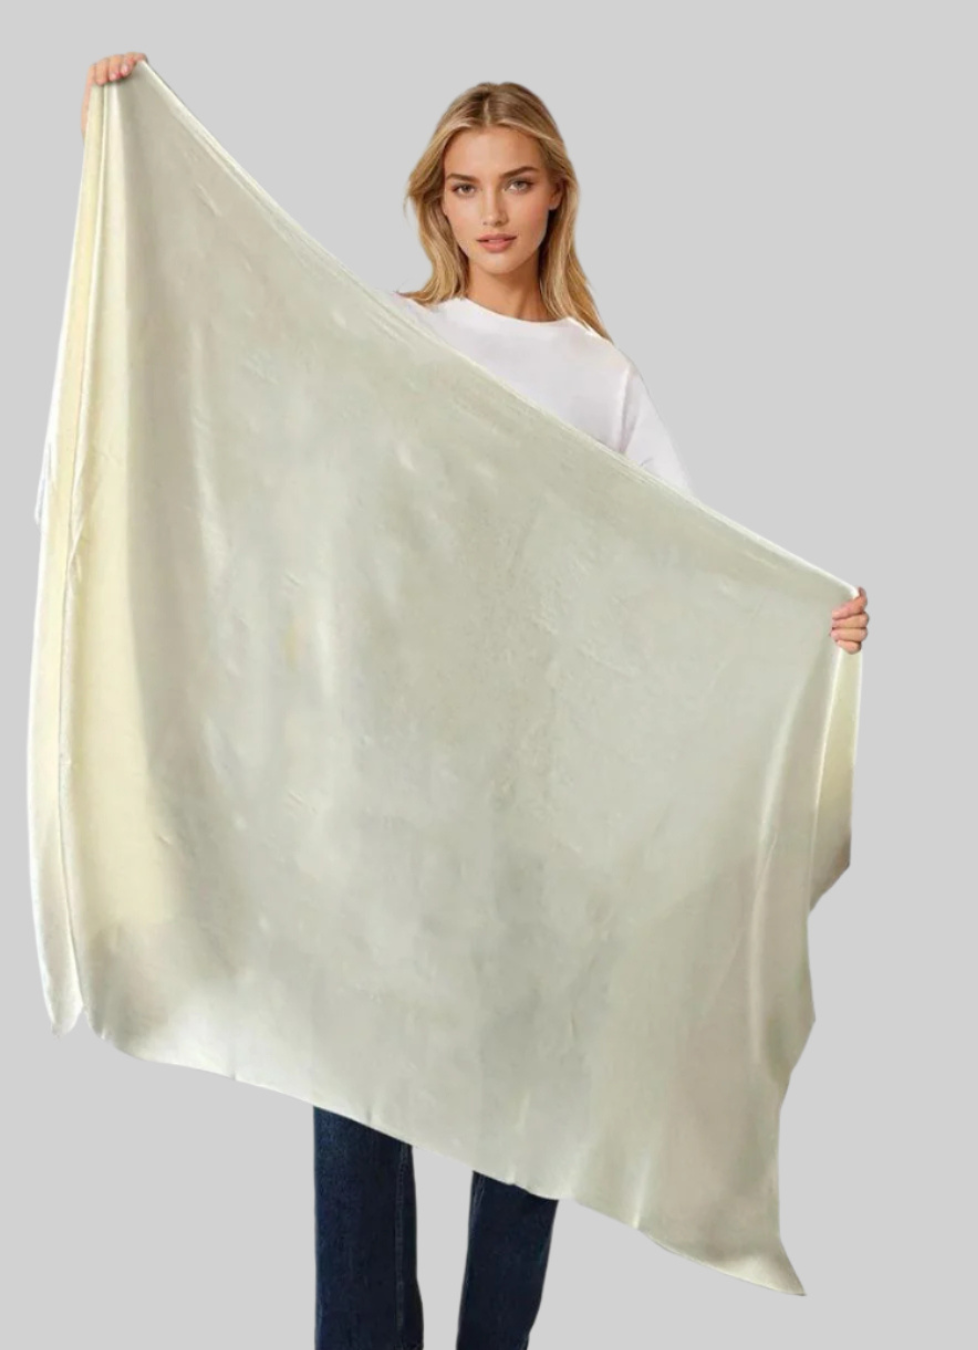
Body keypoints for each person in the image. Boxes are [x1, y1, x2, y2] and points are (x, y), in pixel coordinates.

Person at [79, 54, 872, 1350]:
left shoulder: (599, 376)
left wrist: (806, 627)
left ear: (556, 196)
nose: (489, 211)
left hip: (540, 790)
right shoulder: (391, 342)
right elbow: (232, 388)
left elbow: (683, 566)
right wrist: (128, 150)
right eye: (463, 187)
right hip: (387, 777)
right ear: (434, 203)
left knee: (538, 1098)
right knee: (357, 1074)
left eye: (514, 183)